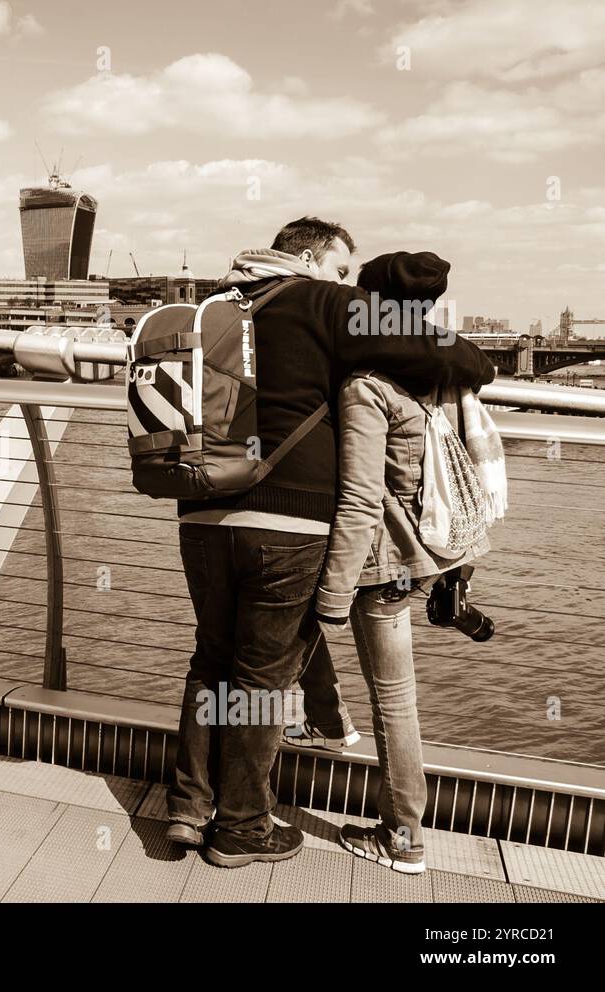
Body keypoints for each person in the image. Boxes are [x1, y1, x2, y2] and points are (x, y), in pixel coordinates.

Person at [164, 218, 495, 869]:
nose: (350, 284)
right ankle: (241, 827)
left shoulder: (210, 305)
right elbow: (450, 355)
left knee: (211, 660)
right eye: (344, 270)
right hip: (287, 522)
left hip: (200, 516)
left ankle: (186, 807)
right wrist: (477, 362)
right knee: (261, 676)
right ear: (312, 259)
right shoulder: (321, 300)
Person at [305, 250, 497, 874]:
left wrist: (332, 598)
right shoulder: (442, 372)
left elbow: (360, 498)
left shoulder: (367, 386)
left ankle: (403, 837)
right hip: (420, 555)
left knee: (390, 702)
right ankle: (326, 725)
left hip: (379, 563)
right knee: (399, 698)